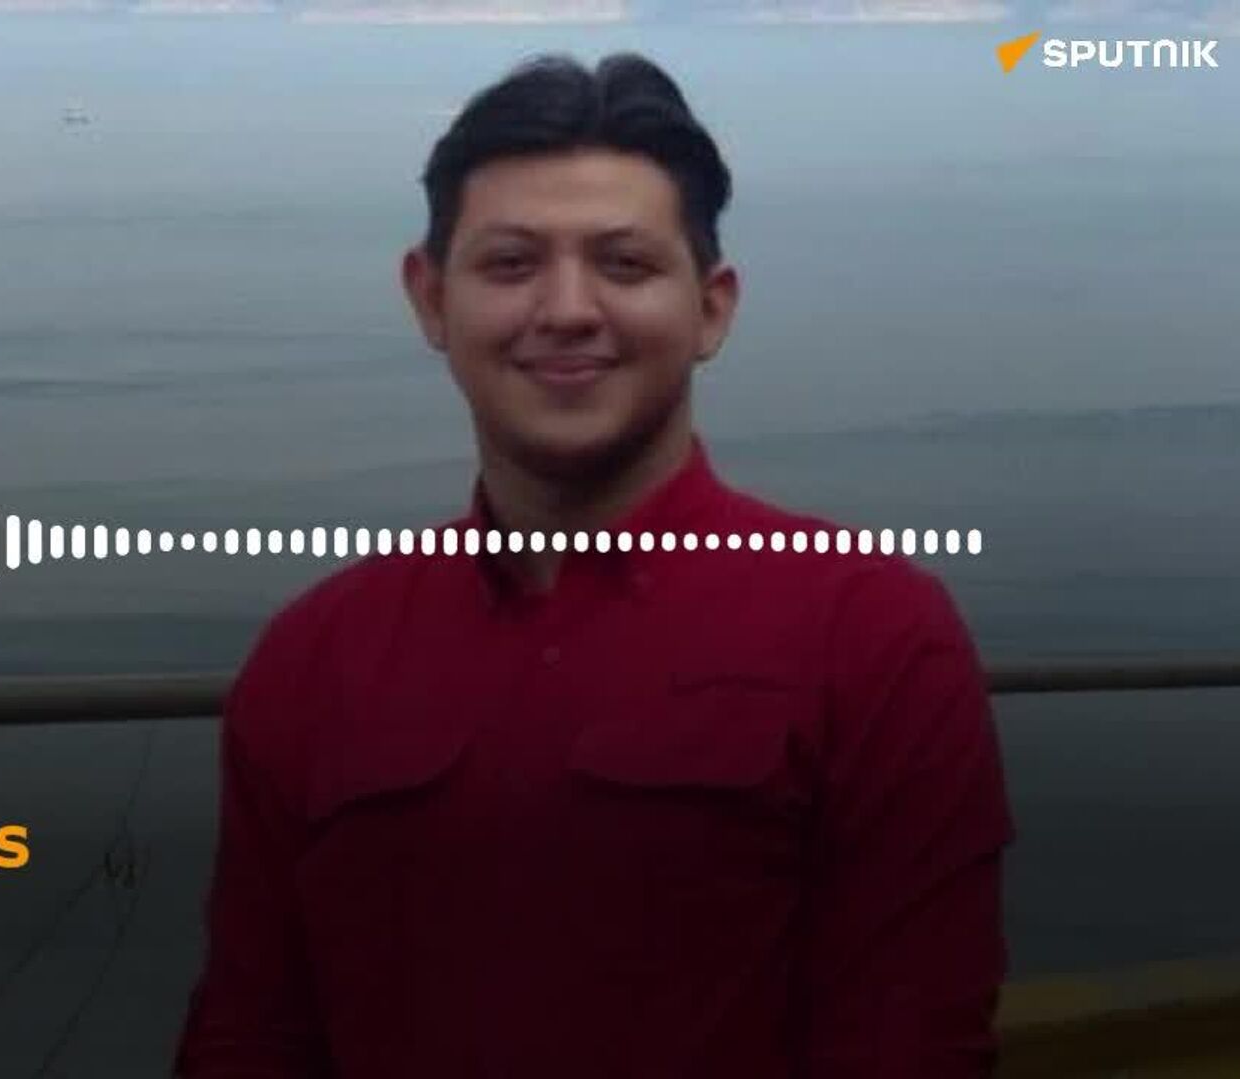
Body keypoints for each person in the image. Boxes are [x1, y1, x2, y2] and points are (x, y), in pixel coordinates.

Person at [176, 51, 1012, 1078]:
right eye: (510, 264)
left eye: (624, 264)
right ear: (430, 299)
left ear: (711, 308)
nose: (568, 308)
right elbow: (251, 1034)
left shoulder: (871, 634)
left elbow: (909, 1042)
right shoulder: (314, 657)